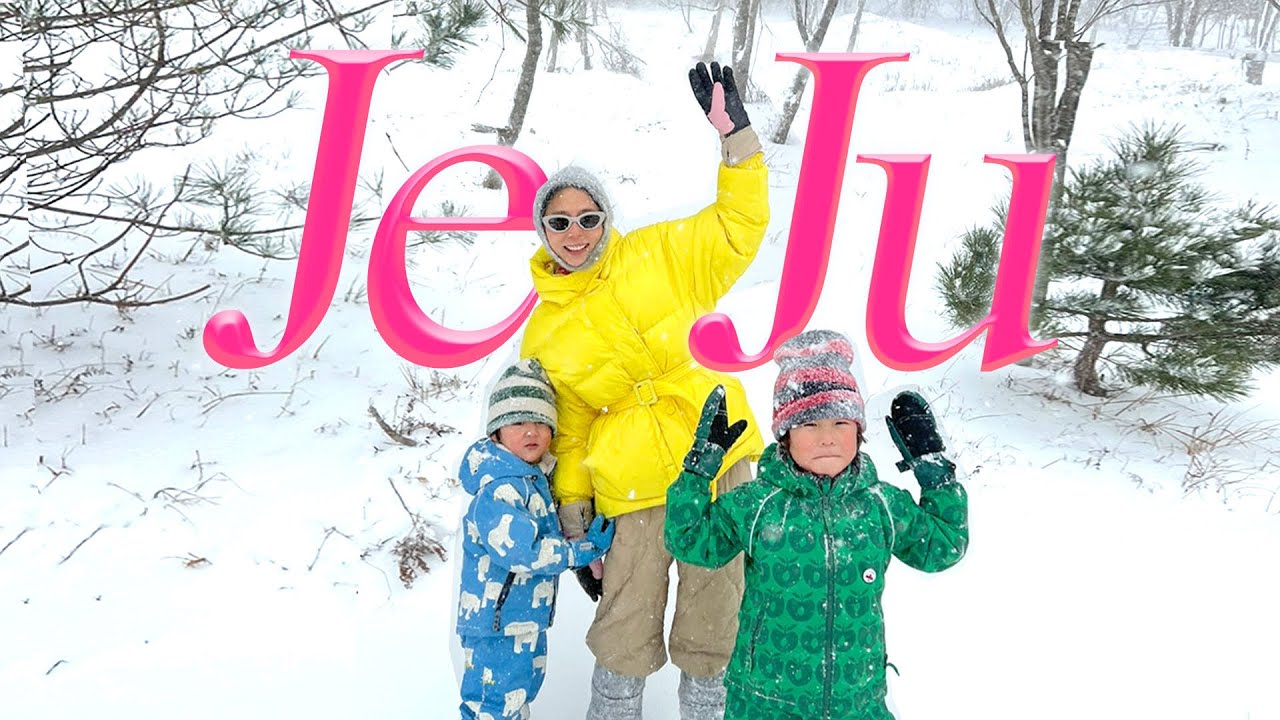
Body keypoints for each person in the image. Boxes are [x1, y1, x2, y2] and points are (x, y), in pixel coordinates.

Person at [519, 61, 769, 720]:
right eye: (561, 222)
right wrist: (573, 507)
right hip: (629, 476)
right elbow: (565, 427)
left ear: (608, 218)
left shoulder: (661, 255)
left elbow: (737, 228)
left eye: (588, 217)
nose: (577, 233)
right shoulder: (544, 329)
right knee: (625, 616)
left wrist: (735, 140)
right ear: (542, 231)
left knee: (718, 608)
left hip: (715, 451)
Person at [664, 329, 970, 720]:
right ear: (785, 435)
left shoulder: (879, 505)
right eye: (809, 424)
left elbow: (942, 547)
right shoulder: (758, 503)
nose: (827, 438)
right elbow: (690, 540)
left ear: (859, 432)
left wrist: (935, 472)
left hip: (856, 703)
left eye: (841, 422)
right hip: (764, 702)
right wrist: (697, 472)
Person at [455, 359, 615, 720]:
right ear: (496, 432)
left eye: (541, 422)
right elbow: (525, 552)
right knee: (494, 707)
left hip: (523, 619)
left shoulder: (530, 481)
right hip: (496, 625)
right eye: (518, 423)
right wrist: (583, 550)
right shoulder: (500, 489)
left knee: (518, 698)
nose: (532, 432)